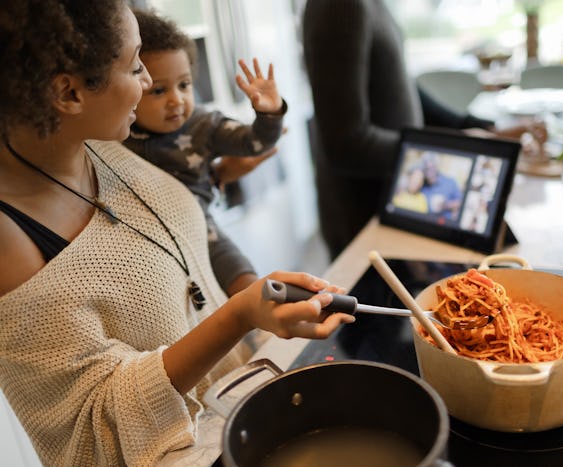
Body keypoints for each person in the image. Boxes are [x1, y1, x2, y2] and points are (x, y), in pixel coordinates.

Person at [0, 2, 354, 466]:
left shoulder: (105, 143)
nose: (147, 81)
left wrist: (219, 178)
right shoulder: (11, 236)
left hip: (239, 412)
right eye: (135, 66)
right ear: (68, 92)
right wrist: (238, 316)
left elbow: (163, 234)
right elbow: (93, 425)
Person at [302, 0, 547, 258]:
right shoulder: (337, 7)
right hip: (364, 218)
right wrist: (462, 143)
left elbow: (402, 89)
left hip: (399, 205)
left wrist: (488, 129)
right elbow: (346, 145)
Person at [124, 8, 287, 297]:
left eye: (184, 85)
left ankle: (261, 320)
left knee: (241, 274)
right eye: (159, 91)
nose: (177, 100)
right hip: (142, 245)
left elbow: (256, 143)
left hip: (200, 229)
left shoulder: (204, 125)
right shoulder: (118, 134)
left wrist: (269, 113)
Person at [420, 152, 462, 220]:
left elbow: (461, 202)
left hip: (446, 223)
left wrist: (446, 205)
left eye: (432, 167)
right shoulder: (422, 185)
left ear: (436, 166)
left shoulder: (450, 182)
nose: (429, 171)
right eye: (426, 168)